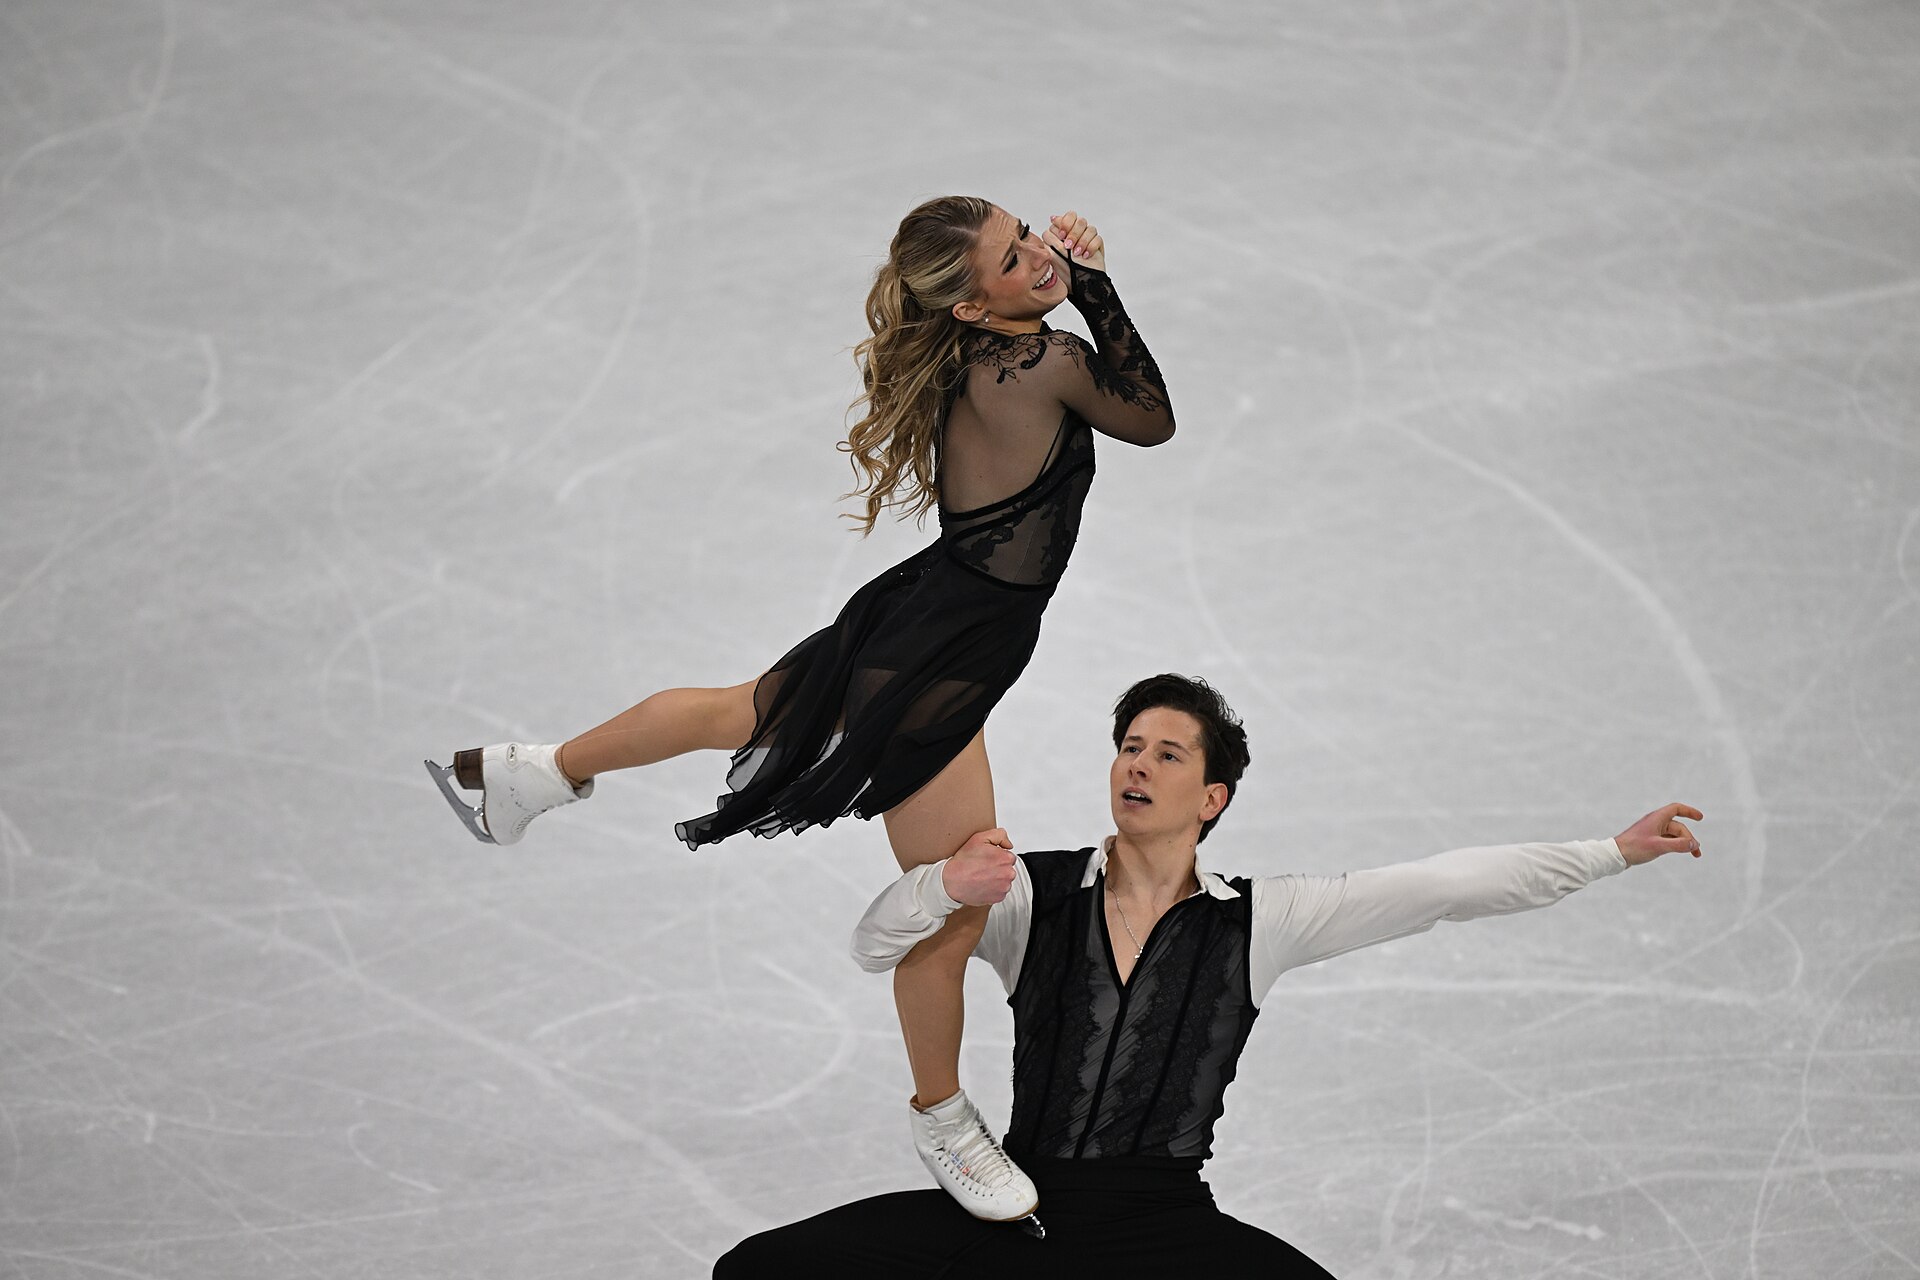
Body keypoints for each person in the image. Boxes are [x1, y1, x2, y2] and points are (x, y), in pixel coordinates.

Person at [424, 197, 1175, 1221]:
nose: (1039, 256)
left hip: (925, 610)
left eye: (1029, 235)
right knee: (952, 901)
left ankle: (538, 769)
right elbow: (1150, 417)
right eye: (1016, 257)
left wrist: (1072, 283)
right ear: (968, 306)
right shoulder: (1036, 366)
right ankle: (941, 1115)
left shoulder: (1006, 354)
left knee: (746, 709)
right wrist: (1094, 283)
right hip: (941, 657)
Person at [713, 673, 1705, 1277]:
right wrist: (943, 886)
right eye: (1130, 746)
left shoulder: (1261, 918)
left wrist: (1611, 850)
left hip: (1162, 1225)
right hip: (1021, 1206)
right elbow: (876, 945)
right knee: (762, 1268)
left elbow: (1445, 884)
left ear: (1212, 794)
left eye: (1168, 752)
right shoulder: (1031, 894)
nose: (1137, 764)